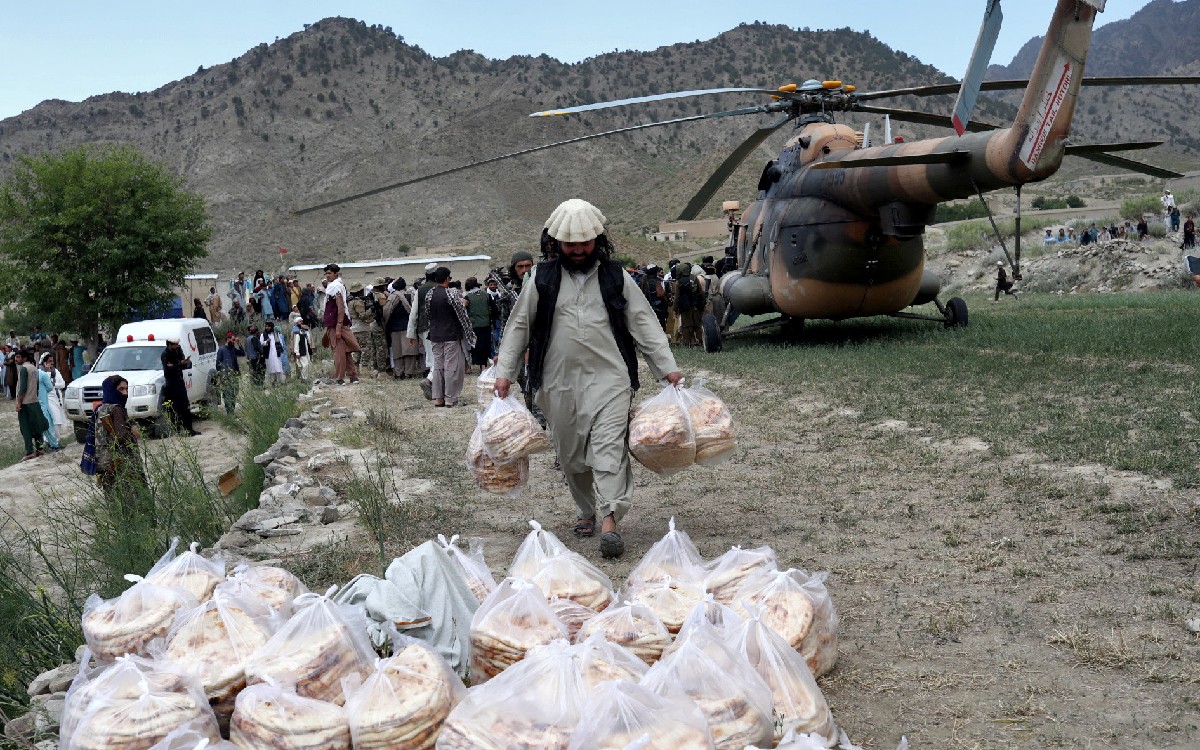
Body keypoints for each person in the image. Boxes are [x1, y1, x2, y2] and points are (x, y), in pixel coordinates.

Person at [494, 199, 682, 559]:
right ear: (557, 244)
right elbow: (520, 325)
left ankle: (610, 519)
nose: (578, 250)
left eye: (585, 243)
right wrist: (505, 371)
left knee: (609, 449)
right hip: (557, 381)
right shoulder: (541, 278)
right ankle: (585, 510)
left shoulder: (616, 276)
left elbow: (643, 322)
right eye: (570, 245)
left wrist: (666, 367)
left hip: (610, 379)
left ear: (598, 240)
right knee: (570, 454)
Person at [418, 267, 474, 407]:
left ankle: (438, 398)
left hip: (435, 334)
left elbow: (429, 314)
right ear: (447, 278)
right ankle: (450, 398)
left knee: (438, 367)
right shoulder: (451, 293)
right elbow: (461, 314)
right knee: (451, 367)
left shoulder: (429, 294)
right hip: (451, 335)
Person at [93, 375, 148, 510]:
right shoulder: (116, 409)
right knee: (133, 501)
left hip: (104, 464)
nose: (125, 393)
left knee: (114, 502)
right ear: (111, 390)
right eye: (120, 389)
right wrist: (134, 434)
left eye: (126, 389)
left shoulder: (100, 409)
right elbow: (122, 435)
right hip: (122, 462)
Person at [323, 263, 360, 385]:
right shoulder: (337, 285)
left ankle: (340, 378)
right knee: (346, 350)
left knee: (339, 351)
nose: (327, 275)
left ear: (335, 273)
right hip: (338, 322)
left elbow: (340, 307)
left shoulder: (335, 287)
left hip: (336, 324)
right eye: (326, 273)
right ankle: (353, 376)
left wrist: (338, 327)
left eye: (329, 273)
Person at [161, 336, 200, 436]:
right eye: (175, 344)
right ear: (169, 345)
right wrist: (179, 364)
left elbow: (182, 364)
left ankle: (189, 430)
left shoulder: (178, 350)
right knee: (175, 409)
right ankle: (178, 431)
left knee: (185, 406)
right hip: (171, 383)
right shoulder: (165, 354)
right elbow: (168, 369)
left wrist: (180, 363)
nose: (177, 346)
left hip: (179, 381)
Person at [13, 349, 48, 460]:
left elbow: (22, 388)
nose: (16, 359)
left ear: (24, 358)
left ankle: (29, 452)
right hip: (34, 401)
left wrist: (19, 403)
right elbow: (37, 387)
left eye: (18, 357)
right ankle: (40, 448)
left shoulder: (24, 369)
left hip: (25, 403)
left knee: (26, 428)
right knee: (37, 427)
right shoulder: (34, 369)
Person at [383, 279, 421, 379]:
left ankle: (399, 372)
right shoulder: (410, 296)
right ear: (404, 286)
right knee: (410, 351)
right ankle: (409, 373)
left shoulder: (391, 297)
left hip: (394, 328)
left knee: (397, 352)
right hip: (408, 327)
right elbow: (415, 310)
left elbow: (386, 312)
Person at [464, 277, 494, 375]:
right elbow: (494, 309)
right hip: (486, 324)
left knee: (477, 345)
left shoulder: (468, 297)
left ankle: (481, 365)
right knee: (485, 344)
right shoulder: (486, 295)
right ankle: (484, 366)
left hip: (474, 325)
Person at [37, 353, 65, 450]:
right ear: (44, 362)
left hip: (56, 399)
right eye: (49, 361)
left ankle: (55, 441)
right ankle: (49, 442)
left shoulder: (55, 372)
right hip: (46, 399)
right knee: (50, 421)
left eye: (52, 361)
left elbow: (62, 384)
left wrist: (53, 384)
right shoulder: (40, 373)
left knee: (58, 421)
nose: (51, 363)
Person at [215, 332, 244, 415]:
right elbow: (218, 364)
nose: (234, 341)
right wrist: (220, 376)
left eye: (235, 340)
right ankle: (229, 413)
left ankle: (232, 410)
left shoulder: (233, 349)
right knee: (228, 393)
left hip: (234, 375)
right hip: (226, 376)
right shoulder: (221, 350)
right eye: (233, 340)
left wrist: (239, 344)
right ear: (228, 339)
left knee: (234, 393)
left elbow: (242, 353)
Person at [259, 321, 286, 387]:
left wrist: (280, 350)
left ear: (272, 327)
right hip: (269, 355)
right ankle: (272, 383)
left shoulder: (276, 334)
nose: (267, 328)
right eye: (266, 326)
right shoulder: (263, 335)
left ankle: (281, 382)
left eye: (268, 326)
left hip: (277, 354)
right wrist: (266, 342)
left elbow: (281, 343)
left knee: (278, 368)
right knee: (271, 369)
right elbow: (261, 344)